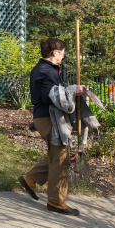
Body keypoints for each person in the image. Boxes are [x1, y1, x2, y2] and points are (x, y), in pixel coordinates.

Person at [18, 37, 85, 216]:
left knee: (58, 156)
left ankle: (30, 179)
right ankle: (56, 201)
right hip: (48, 118)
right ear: (55, 53)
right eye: (62, 54)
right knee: (61, 160)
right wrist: (72, 90)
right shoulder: (46, 71)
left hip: (45, 117)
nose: (63, 57)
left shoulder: (44, 68)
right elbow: (51, 96)